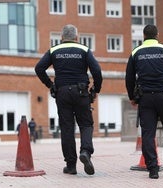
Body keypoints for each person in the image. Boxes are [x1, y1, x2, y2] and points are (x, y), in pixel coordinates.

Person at [35, 24, 102, 175]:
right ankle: (85, 151)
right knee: (86, 124)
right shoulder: (84, 50)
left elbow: (39, 68)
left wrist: (50, 85)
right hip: (81, 92)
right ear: (76, 37)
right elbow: (97, 70)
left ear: (61, 38)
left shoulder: (54, 50)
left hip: (62, 92)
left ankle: (71, 165)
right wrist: (95, 89)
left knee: (66, 128)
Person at [125, 25, 163, 179]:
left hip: (145, 99)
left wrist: (132, 96)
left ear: (143, 36)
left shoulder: (135, 52)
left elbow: (129, 78)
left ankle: (152, 169)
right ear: (157, 34)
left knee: (148, 133)